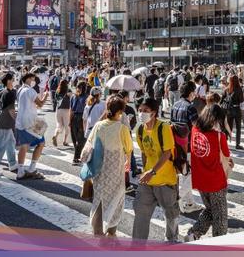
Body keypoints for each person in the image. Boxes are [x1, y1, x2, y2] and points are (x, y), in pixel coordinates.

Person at [80, 96, 132, 237]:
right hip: (116, 171)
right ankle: (111, 231)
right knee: (117, 199)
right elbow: (129, 149)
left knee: (99, 200)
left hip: (98, 169)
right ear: (120, 112)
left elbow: (89, 144)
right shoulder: (122, 129)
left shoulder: (98, 125)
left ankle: (98, 231)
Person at [133, 98, 181, 242]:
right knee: (141, 213)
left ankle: (172, 240)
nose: (142, 113)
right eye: (140, 110)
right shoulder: (140, 129)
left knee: (171, 213)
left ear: (154, 113)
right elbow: (143, 152)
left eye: (146, 111)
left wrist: (152, 171)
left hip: (166, 181)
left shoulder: (163, 128)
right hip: (148, 181)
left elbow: (167, 153)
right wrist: (145, 171)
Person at [184, 104, 233, 241]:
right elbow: (226, 155)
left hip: (200, 179)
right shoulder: (219, 136)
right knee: (220, 217)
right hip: (216, 181)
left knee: (210, 210)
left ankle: (193, 234)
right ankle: (218, 243)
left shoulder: (194, 130)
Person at [170, 81, 203, 214]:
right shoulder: (190, 107)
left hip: (176, 144)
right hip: (189, 145)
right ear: (190, 93)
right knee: (192, 174)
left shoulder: (175, 105)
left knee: (185, 173)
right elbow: (197, 126)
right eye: (194, 92)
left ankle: (190, 203)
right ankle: (178, 198)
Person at [14, 73, 48, 180]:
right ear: (28, 79)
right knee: (41, 143)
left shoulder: (19, 90)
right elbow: (41, 104)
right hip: (31, 122)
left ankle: (20, 171)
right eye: (34, 78)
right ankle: (32, 168)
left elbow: (31, 104)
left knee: (23, 146)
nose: (35, 81)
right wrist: (46, 95)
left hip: (20, 121)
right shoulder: (30, 91)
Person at [83, 87, 106, 161]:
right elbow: (105, 118)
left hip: (89, 130)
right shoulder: (103, 104)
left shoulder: (87, 105)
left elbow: (84, 120)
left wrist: (85, 131)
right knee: (99, 151)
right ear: (99, 95)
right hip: (100, 130)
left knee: (90, 150)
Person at [221, 75, 244, 150]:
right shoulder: (239, 89)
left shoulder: (227, 89)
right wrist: (242, 110)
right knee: (238, 128)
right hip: (237, 109)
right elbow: (241, 102)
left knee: (228, 127)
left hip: (228, 110)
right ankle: (237, 144)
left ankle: (225, 142)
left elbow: (222, 99)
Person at [69, 82, 89, 164]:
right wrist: (69, 121)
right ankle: (78, 154)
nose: (78, 89)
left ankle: (76, 158)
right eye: (78, 87)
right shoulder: (73, 96)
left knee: (81, 139)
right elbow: (71, 110)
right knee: (74, 138)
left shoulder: (87, 97)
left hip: (82, 118)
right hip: (75, 117)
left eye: (80, 87)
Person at [52, 80, 72, 147]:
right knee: (67, 126)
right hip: (66, 110)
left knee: (59, 124)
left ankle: (55, 135)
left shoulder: (57, 91)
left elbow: (55, 99)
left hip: (58, 109)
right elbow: (71, 98)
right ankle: (64, 141)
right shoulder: (68, 90)